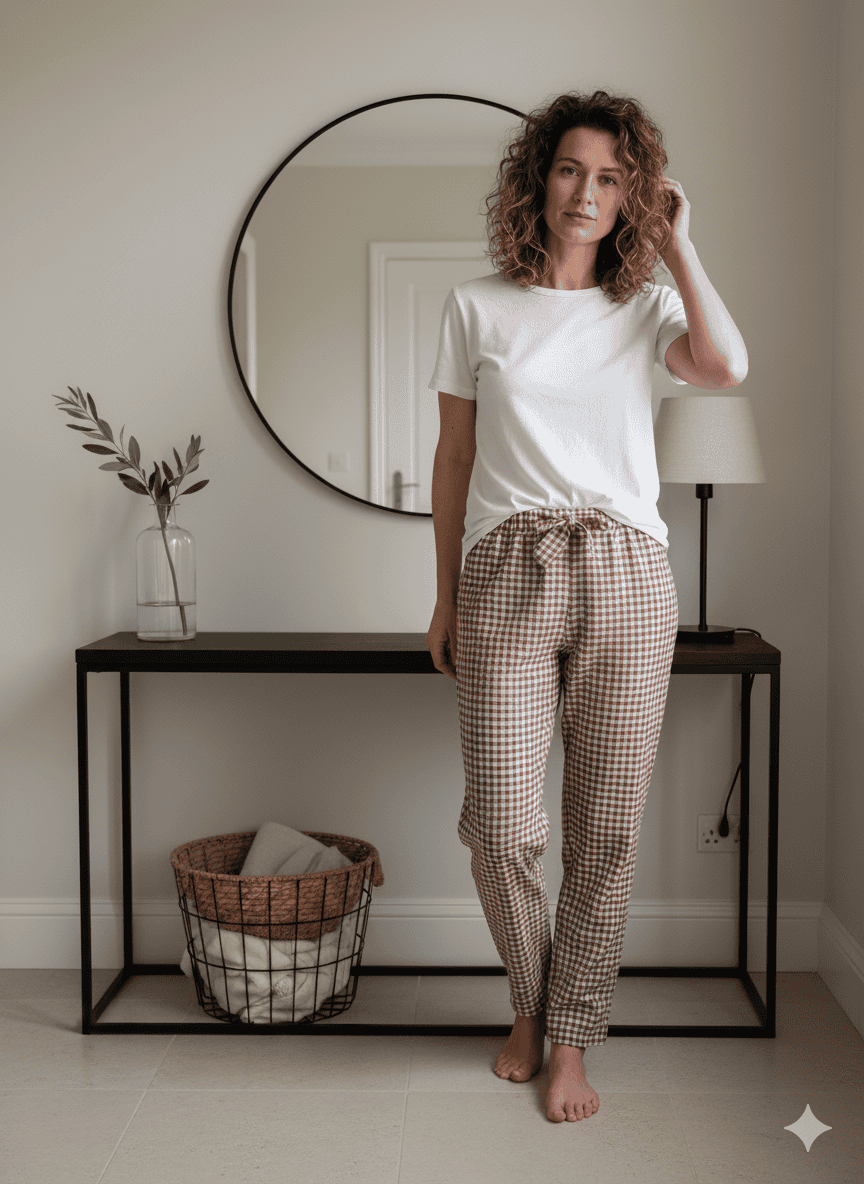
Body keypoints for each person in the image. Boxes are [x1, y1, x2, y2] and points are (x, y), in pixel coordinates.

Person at [425, 89, 748, 1125]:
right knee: (500, 826)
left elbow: (727, 365)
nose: (586, 192)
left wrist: (678, 244)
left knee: (604, 830)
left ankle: (568, 1036)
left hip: (627, 574)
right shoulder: (475, 306)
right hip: (506, 571)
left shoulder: (645, 307)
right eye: (571, 168)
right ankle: (529, 1000)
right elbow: (455, 459)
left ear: (633, 196)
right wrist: (443, 597)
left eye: (612, 178)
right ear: (539, 177)